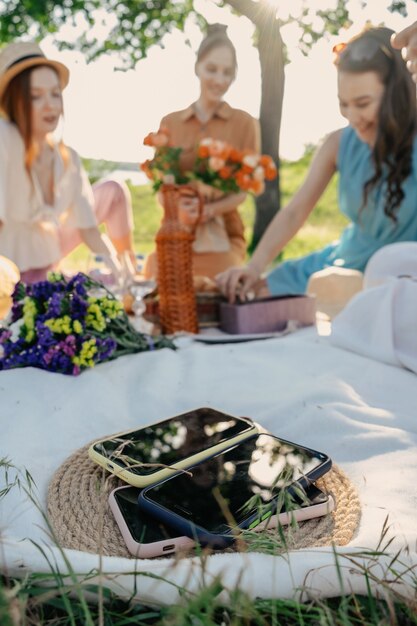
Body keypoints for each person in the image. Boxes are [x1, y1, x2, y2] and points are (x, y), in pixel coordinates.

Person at [216, 26, 417, 303]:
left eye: (363, 103)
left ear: (397, 95)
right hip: (341, 265)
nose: (352, 116)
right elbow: (295, 212)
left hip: (402, 275)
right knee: (255, 294)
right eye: (344, 104)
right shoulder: (338, 144)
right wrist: (253, 266)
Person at [0, 41, 137, 284]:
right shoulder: (5, 139)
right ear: (15, 101)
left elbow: (88, 228)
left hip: (46, 267)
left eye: (55, 93)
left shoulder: (67, 157)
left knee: (107, 286)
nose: (50, 105)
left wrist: (120, 272)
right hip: (6, 272)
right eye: (35, 96)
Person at [143, 24, 260, 281]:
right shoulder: (171, 123)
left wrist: (208, 211)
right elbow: (162, 189)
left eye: (227, 72)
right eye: (212, 69)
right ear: (197, 67)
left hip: (223, 235)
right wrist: (179, 207)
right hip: (177, 230)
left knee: (216, 286)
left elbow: (242, 192)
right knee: (156, 283)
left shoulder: (244, 123)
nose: (219, 80)